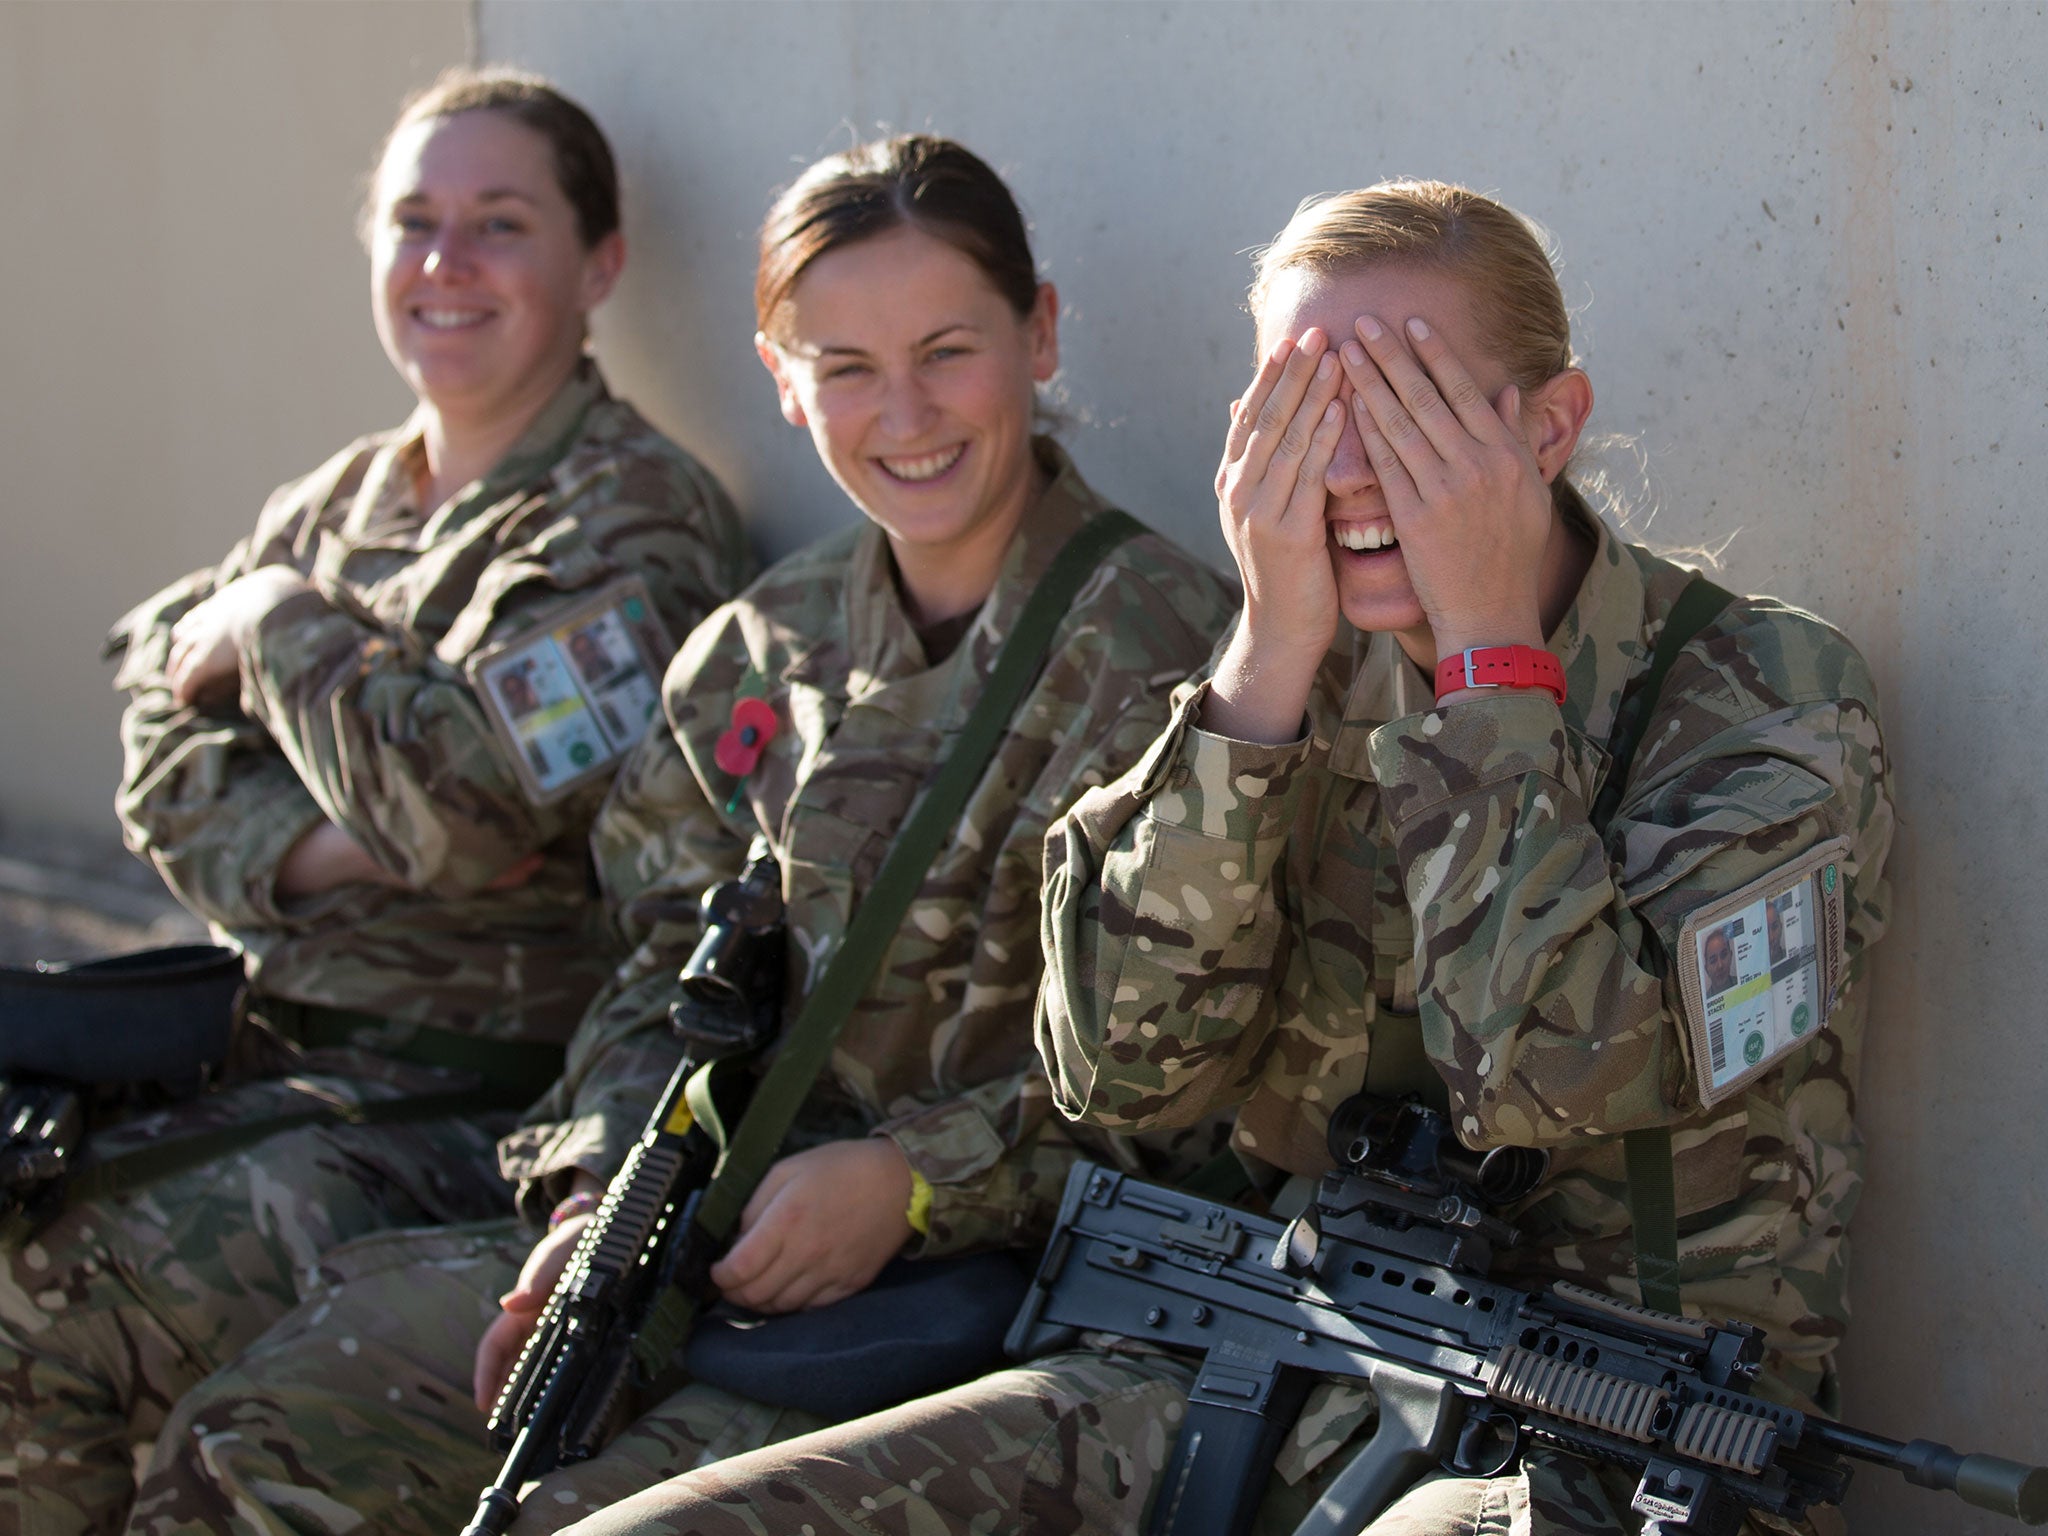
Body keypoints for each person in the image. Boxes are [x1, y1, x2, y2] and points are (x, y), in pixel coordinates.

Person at [552, 181, 1895, 1536]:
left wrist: (1490, 665)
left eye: (1410, 411)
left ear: (1547, 428)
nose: (1351, 474)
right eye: (1302, 422)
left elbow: (1568, 1080)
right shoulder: (1281, 680)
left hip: (1603, 1434)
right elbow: (1120, 1074)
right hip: (1269, 1351)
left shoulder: (1765, 696)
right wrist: (1259, 676)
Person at [120, 134, 1238, 1536]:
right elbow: (658, 959)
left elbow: (1191, 1073)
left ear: (1042, 333)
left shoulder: (1167, 651)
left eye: (947, 349)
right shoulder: (753, 651)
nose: (905, 411)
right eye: (842, 367)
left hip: (981, 1282)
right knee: (255, 1438)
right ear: (782, 381)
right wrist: (599, 1192)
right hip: (705, 1237)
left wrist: (911, 1184)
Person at [0, 67, 753, 1536]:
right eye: (413, 221)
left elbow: (469, 814)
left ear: (597, 265)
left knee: (56, 1279)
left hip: (473, 1106)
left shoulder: (630, 518)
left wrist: (280, 629)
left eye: (499, 223)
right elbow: (165, 768)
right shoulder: (334, 504)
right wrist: (333, 837)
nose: (445, 263)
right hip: (265, 1065)